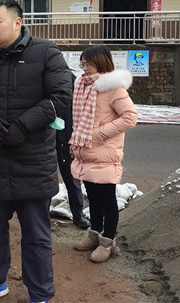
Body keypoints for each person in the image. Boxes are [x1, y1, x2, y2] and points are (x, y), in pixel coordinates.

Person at [0, 0, 73, 303]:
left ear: (17, 22)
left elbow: (61, 97)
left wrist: (23, 125)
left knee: (36, 235)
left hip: (32, 161)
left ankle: (41, 294)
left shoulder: (46, 53)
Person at [70, 46, 138, 263]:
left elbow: (130, 117)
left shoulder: (113, 88)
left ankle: (107, 241)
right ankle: (94, 234)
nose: (84, 68)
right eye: (82, 64)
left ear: (100, 62)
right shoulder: (82, 86)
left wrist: (99, 134)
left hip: (105, 153)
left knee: (107, 200)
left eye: (88, 64)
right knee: (93, 198)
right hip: (87, 152)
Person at [56, 73, 90, 229]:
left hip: (67, 136)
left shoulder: (71, 79)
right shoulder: (39, 76)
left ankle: (78, 214)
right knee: (43, 178)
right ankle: (39, 215)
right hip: (46, 137)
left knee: (72, 178)